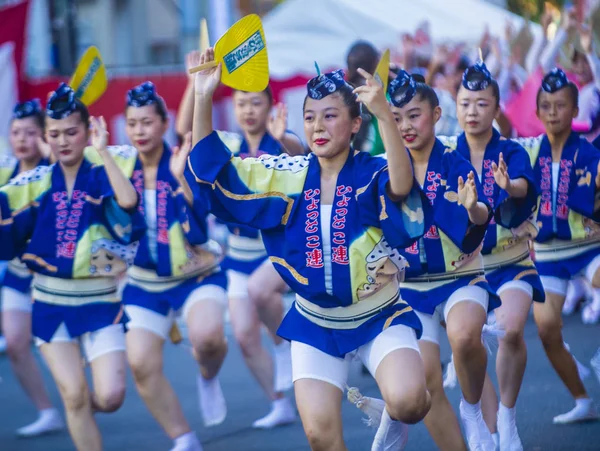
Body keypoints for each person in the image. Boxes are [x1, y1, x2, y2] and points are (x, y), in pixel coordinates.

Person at [189, 47, 430, 451]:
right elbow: (212, 171)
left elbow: (403, 189)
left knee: (409, 403)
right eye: (310, 117)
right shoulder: (288, 174)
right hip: (315, 322)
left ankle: (394, 407)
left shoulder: (373, 172)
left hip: (379, 315)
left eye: (330, 115)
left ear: (355, 124)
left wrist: (386, 115)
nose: (317, 125)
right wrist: (202, 96)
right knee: (321, 438)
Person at [0, 83, 144, 451]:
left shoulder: (103, 171)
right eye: (55, 134)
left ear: (87, 131)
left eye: (71, 132)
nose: (63, 141)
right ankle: (76, 402)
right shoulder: (32, 184)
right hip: (49, 304)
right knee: (75, 396)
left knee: (110, 397)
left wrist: (102, 151)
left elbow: (128, 201)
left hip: (101, 302)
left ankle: (80, 401)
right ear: (46, 137)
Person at [177, 51, 300, 428]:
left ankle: (282, 346)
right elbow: (187, 135)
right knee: (245, 336)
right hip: (236, 255)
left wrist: (284, 143)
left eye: (256, 102)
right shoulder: (227, 142)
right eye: (242, 102)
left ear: (269, 106)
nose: (248, 110)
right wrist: (194, 85)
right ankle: (278, 402)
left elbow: (304, 155)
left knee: (263, 294)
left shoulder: (282, 137)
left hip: (275, 250)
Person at [104, 81, 227, 450]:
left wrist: (179, 179)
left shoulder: (183, 159)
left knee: (207, 339)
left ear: (163, 123)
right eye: (132, 123)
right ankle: (183, 437)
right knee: (140, 363)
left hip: (196, 275)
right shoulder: (118, 166)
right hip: (144, 284)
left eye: (147, 122)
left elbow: (201, 221)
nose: (139, 130)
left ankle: (207, 374)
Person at [389, 71, 497, 451]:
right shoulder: (385, 169)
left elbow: (482, 213)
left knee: (465, 336)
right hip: (410, 287)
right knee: (426, 380)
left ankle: (472, 408)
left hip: (460, 275)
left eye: (414, 115)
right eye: (397, 117)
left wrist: (474, 208)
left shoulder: (454, 163)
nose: (406, 125)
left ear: (436, 114)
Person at [441, 61, 544, 451]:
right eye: (465, 103)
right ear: (455, 105)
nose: (472, 112)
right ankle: (486, 430)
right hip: (467, 268)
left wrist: (509, 185)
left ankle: (507, 415)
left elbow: (524, 186)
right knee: (471, 343)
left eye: (481, 104)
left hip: (510, 261)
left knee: (511, 329)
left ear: (496, 107)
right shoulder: (448, 154)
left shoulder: (511, 150)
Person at [519, 68, 600, 423]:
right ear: (537, 111)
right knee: (547, 328)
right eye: (546, 105)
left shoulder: (590, 151)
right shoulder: (525, 151)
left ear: (575, 109)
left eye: (561, 105)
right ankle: (582, 400)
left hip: (590, 245)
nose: (553, 112)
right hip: (549, 256)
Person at [0, 99, 64, 437]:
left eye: (30, 133)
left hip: (56, 272)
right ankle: (46, 411)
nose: (21, 139)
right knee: (14, 342)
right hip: (17, 271)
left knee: (64, 343)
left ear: (44, 136)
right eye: (15, 132)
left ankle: (85, 398)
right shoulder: (5, 171)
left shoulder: (58, 169)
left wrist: (50, 152)